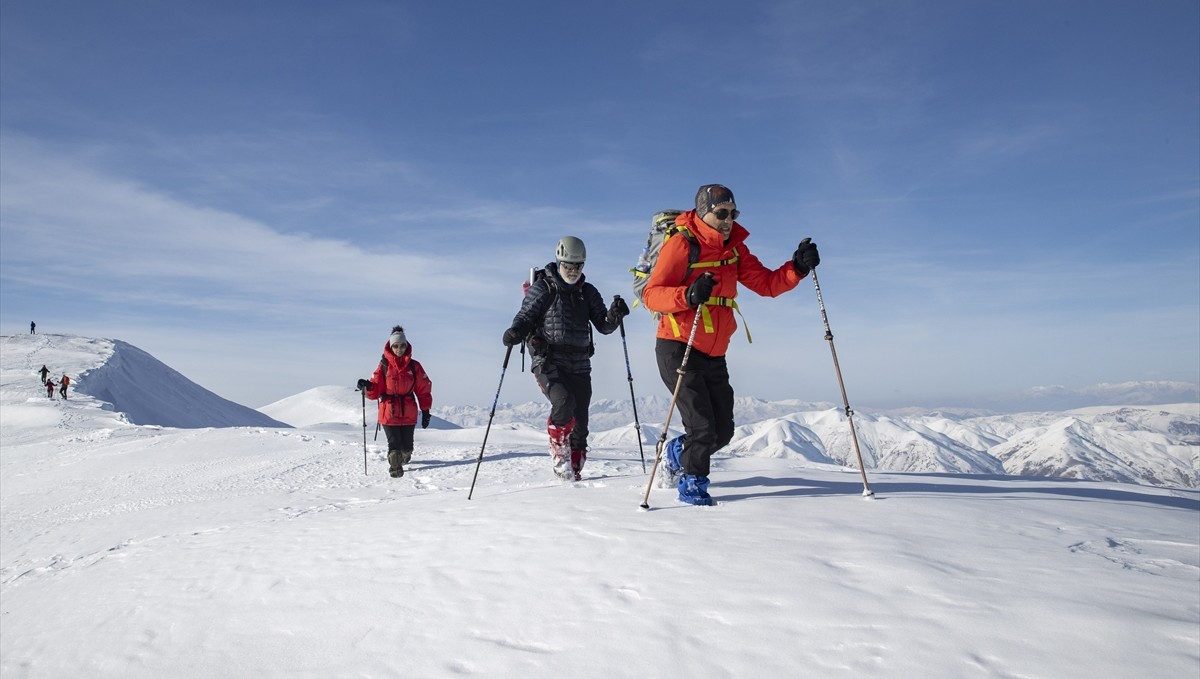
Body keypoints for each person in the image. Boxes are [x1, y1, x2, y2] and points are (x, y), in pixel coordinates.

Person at [642, 184, 820, 505]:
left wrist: (797, 268)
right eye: (722, 213)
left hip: (714, 352)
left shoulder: (735, 250)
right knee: (702, 427)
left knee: (722, 432)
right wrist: (688, 295)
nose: (728, 220)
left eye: (733, 214)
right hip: (678, 345)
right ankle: (693, 490)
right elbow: (652, 294)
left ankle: (676, 452)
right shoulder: (682, 244)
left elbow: (766, 284)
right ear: (703, 213)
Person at [502, 236, 630, 481]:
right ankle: (560, 454)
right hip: (548, 360)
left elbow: (603, 326)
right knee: (563, 402)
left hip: (580, 363)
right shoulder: (544, 288)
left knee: (581, 418)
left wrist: (615, 316)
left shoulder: (588, 292)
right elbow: (525, 316)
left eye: (578, 266)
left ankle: (575, 468)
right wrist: (515, 332)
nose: (573, 271)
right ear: (559, 262)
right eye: (568, 266)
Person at [356, 326, 433, 478]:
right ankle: (395, 472)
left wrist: (425, 411)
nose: (399, 349)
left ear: (406, 346)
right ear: (391, 347)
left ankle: (405, 457)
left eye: (402, 345)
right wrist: (368, 386)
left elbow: (424, 389)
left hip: (408, 412)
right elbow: (376, 390)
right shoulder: (384, 365)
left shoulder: (414, 366)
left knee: (407, 447)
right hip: (388, 412)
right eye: (396, 346)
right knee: (394, 445)